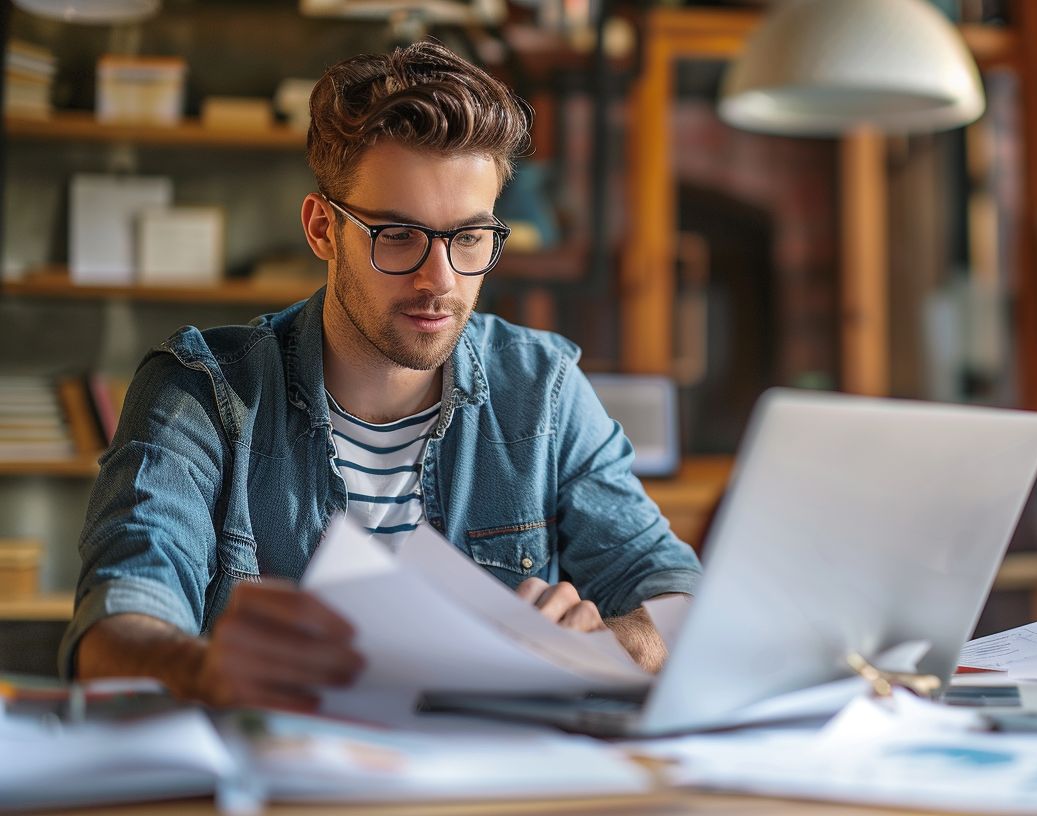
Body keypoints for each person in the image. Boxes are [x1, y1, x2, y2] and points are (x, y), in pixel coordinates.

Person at [61, 42, 702, 712]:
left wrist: (620, 641)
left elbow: (675, 593)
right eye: (397, 234)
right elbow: (112, 630)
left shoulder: (543, 389)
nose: (441, 280)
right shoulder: (199, 391)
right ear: (321, 229)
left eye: (470, 237)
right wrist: (201, 669)